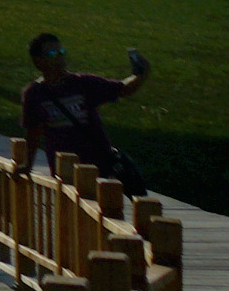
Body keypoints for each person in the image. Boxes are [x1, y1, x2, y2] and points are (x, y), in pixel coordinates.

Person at [20, 31, 154, 194]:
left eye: (62, 52)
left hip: (99, 168)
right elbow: (33, 134)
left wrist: (140, 75)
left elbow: (122, 89)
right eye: (52, 53)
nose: (60, 57)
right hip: (65, 173)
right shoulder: (34, 94)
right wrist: (26, 167)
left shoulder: (83, 84)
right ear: (38, 61)